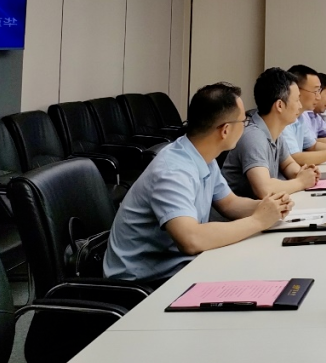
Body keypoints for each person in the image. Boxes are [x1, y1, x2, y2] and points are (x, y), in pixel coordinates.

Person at [103, 82, 293, 285]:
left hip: (178, 267)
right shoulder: (173, 171)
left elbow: (230, 203)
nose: (245, 126)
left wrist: (269, 207)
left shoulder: (202, 156)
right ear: (225, 130)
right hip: (144, 284)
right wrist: (258, 221)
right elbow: (191, 239)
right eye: (243, 121)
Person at [222, 68, 320, 198]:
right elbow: (264, 189)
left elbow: (287, 164)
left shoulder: (274, 131)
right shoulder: (253, 136)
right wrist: (301, 182)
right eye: (297, 100)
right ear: (279, 105)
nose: (300, 106)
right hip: (241, 210)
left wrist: (304, 173)